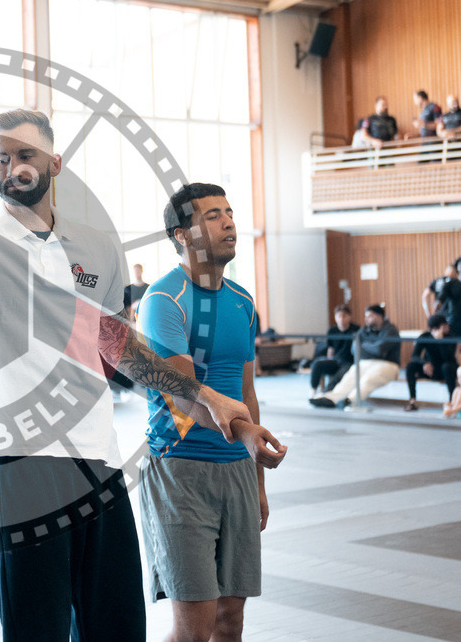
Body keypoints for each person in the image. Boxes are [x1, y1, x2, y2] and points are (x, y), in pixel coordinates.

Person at [0, 27, 283, 642]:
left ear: (54, 164)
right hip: (17, 463)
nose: (8, 165)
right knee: (37, 630)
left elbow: (117, 344)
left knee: (118, 627)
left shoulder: (99, 247)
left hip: (95, 460)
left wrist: (214, 404)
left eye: (23, 154)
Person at [137, 183, 285, 642]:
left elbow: (246, 391)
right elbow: (185, 401)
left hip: (236, 471)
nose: (229, 223)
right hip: (181, 473)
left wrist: (257, 480)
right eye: (213, 216)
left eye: (230, 213)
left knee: (230, 621)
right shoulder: (164, 301)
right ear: (182, 235)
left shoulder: (242, 302)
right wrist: (244, 434)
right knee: (194, 627)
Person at [309, 304, 400, 408]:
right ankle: (331, 398)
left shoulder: (391, 330)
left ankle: (350, 400)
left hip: (387, 364)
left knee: (368, 380)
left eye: (369, 316)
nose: (366, 319)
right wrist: (370, 347)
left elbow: (380, 350)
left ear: (379, 317)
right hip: (364, 362)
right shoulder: (363, 330)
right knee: (349, 379)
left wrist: (364, 345)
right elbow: (355, 349)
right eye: (365, 316)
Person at [404, 314, 457, 411]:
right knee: (410, 366)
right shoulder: (425, 336)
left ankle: (452, 401)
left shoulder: (451, 337)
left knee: (447, 367)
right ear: (436, 328)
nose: (448, 326)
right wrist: (424, 363)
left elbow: (448, 357)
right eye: (445, 325)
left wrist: (440, 341)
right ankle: (412, 401)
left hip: (446, 370)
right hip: (430, 370)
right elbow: (414, 356)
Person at [310, 304, 359, 396]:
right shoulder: (332, 330)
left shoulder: (356, 330)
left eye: (344, 316)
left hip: (349, 362)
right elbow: (330, 349)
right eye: (338, 316)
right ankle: (314, 389)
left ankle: (327, 393)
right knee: (318, 364)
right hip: (336, 360)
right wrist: (329, 360)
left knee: (340, 374)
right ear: (335, 317)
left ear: (349, 317)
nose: (341, 319)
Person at [438, 255, 461, 339]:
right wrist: (438, 303)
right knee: (453, 346)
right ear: (457, 268)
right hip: (453, 322)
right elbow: (441, 298)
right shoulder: (450, 285)